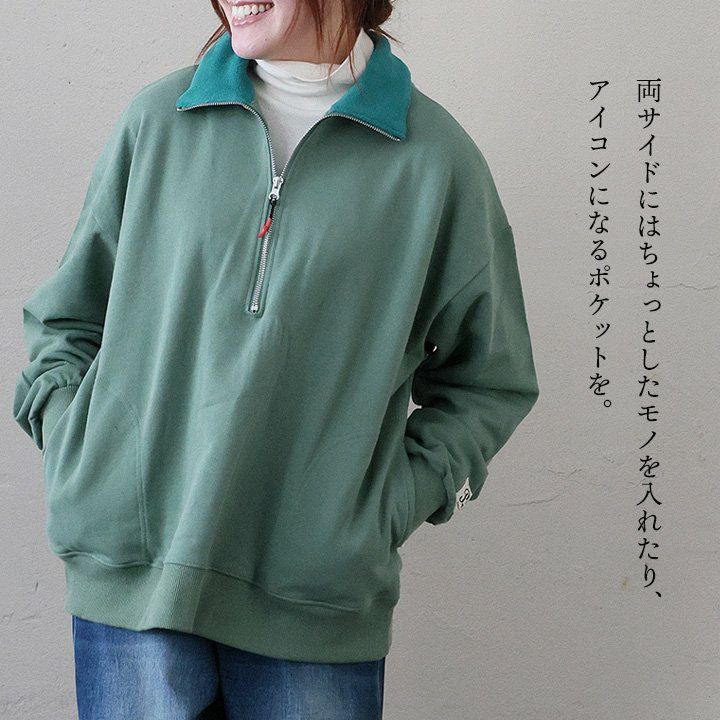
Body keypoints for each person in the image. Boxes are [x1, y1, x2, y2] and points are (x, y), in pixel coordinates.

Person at [12, 0, 540, 717]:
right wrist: (80, 451)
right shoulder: (160, 121)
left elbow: (491, 384)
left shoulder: (435, 163)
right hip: (130, 580)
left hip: (313, 606)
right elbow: (65, 316)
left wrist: (386, 509)